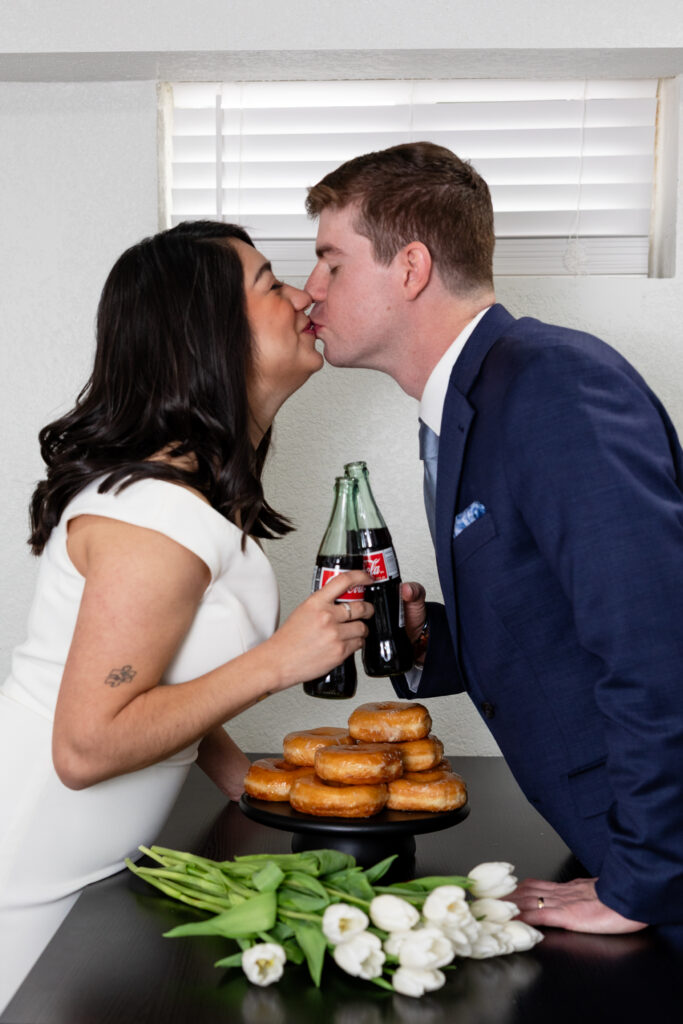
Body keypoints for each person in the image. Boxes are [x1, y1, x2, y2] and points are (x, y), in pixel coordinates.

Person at [303, 142, 683, 940]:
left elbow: (655, 638)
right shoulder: (470, 402)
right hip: (607, 847)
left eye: (330, 263)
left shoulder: (552, 384)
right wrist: (422, 640)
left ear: (408, 267)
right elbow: (555, 609)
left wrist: (642, 883)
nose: (311, 290)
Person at [0, 220, 373, 1011]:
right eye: (271, 283)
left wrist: (248, 782)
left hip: (77, 879)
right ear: (206, 335)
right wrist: (279, 659)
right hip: (25, 887)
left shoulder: (179, 502)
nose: (305, 294)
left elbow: (165, 672)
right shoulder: (156, 519)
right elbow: (87, 745)